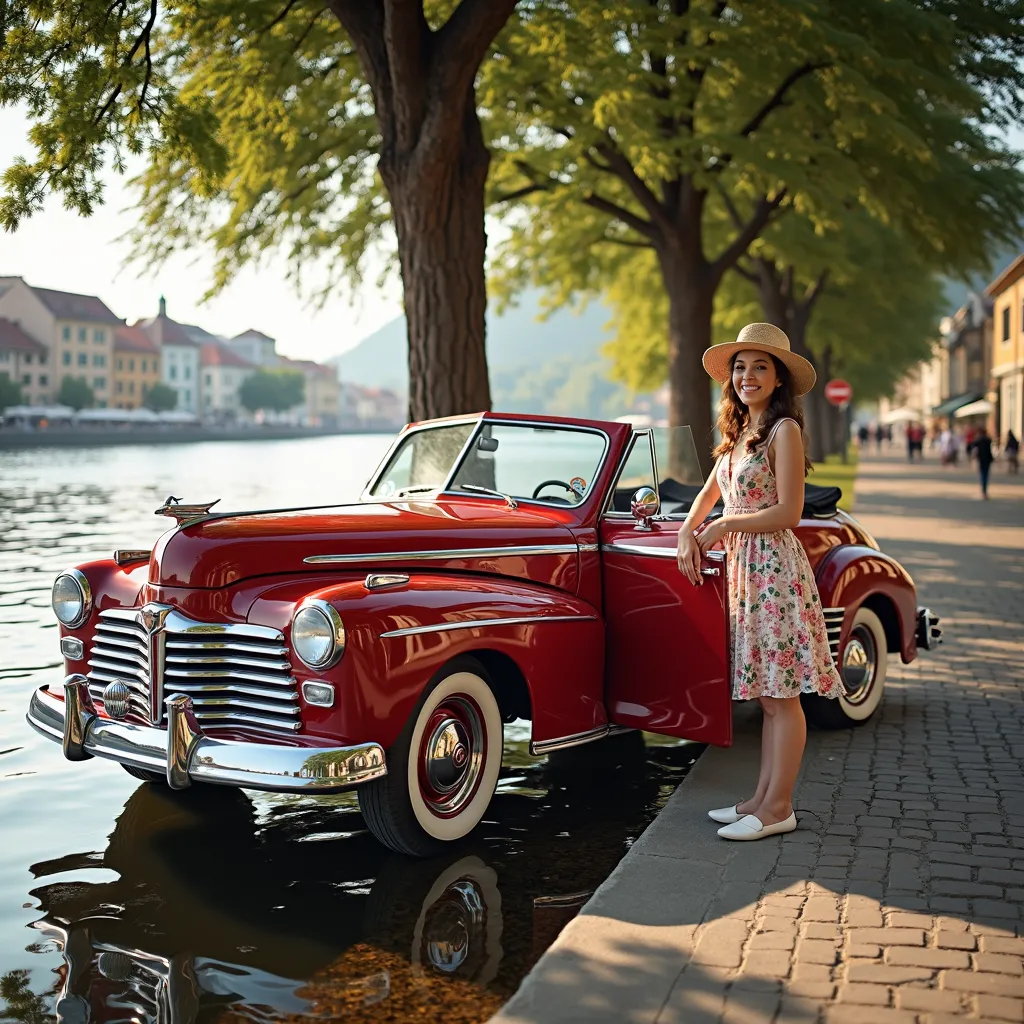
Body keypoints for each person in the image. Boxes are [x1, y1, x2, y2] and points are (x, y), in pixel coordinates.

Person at [676, 323, 843, 842]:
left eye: (760, 367)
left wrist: (723, 526)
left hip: (774, 570)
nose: (748, 376)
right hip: (748, 571)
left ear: (778, 379)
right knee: (768, 695)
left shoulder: (783, 430)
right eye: (741, 367)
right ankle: (760, 798)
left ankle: (779, 808)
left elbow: (789, 512)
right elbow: (710, 491)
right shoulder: (739, 431)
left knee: (782, 693)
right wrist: (688, 529)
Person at [968, 426, 994, 499]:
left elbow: (973, 450)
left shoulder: (978, 440)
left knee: (983, 475)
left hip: (981, 459)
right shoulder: (988, 440)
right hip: (987, 459)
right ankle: (984, 491)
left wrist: (973, 457)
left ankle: (983, 491)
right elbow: (990, 450)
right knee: (985, 474)